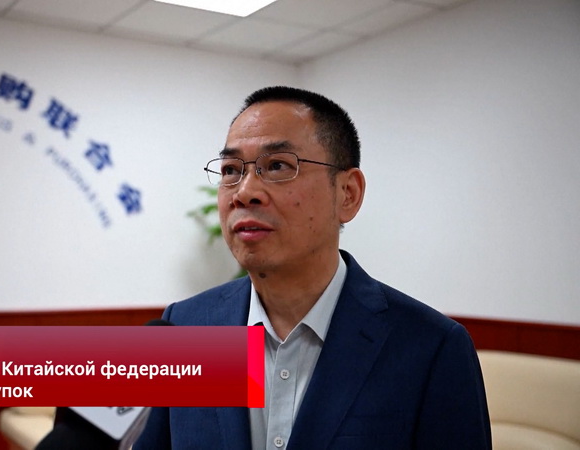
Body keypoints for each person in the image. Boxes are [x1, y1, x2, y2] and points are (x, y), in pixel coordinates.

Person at [134, 86, 491, 449]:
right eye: (231, 170)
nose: (244, 192)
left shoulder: (430, 348)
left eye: (277, 166)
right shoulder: (184, 327)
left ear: (347, 194)